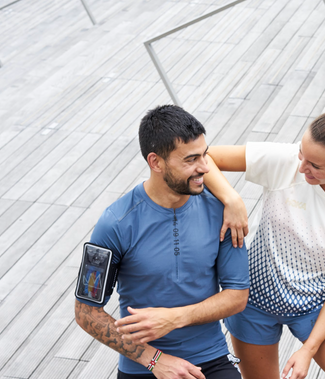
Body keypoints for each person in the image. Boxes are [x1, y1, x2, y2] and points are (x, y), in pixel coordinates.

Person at [204, 106, 325, 379]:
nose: (301, 167)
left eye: (315, 166)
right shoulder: (287, 160)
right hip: (252, 303)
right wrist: (233, 200)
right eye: (302, 154)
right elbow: (205, 158)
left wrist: (309, 349)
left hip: (312, 306)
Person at [74, 104, 250, 379]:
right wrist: (154, 359)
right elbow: (86, 312)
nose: (204, 167)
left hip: (211, 359)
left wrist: (176, 318)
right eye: (190, 160)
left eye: (204, 155)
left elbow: (237, 296)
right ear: (156, 162)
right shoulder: (115, 223)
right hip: (144, 366)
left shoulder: (224, 213)